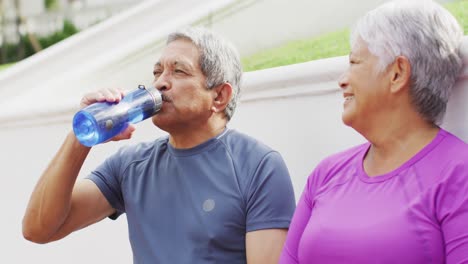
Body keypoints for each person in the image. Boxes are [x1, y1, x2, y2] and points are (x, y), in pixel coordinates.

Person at [22, 27, 296, 264]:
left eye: (178, 71)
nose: (160, 82)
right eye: (157, 72)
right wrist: (81, 135)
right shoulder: (131, 165)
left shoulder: (259, 166)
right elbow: (38, 228)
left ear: (220, 96)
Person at [280, 0, 468, 263]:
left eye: (355, 62)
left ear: (397, 74)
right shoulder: (326, 174)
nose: (342, 80)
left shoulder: (459, 172)